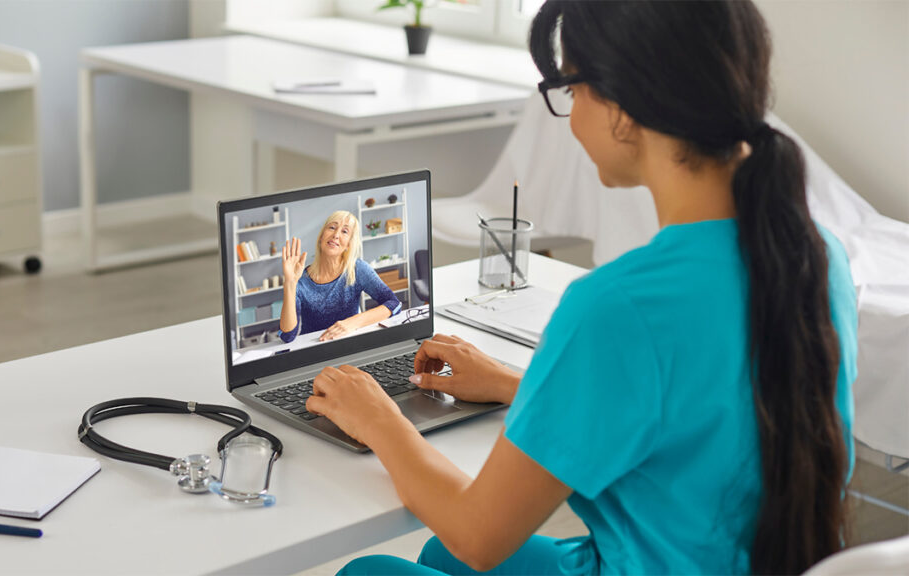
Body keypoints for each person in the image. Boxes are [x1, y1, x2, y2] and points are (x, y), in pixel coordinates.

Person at [305, 1, 857, 574]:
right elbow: (694, 412)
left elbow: (478, 534)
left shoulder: (619, 305)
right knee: (435, 551)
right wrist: (515, 384)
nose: (568, 117)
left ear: (622, 106)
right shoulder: (818, 256)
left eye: (569, 90)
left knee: (369, 570)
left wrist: (378, 418)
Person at [280, 210, 401, 343]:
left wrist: (353, 323)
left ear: (348, 244)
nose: (336, 235)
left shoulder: (357, 269)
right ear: (321, 237)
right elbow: (288, 335)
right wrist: (290, 283)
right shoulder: (301, 281)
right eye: (332, 227)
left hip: (350, 346)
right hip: (314, 351)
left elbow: (393, 304)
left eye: (344, 231)